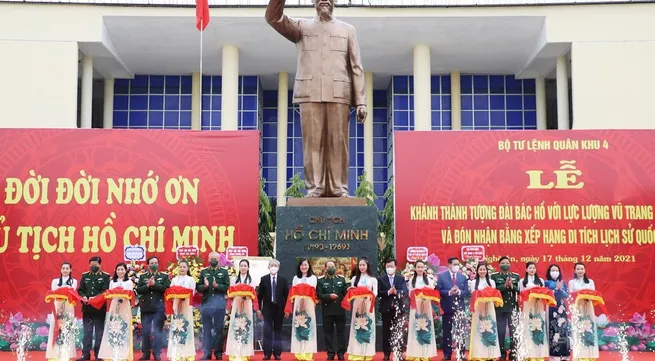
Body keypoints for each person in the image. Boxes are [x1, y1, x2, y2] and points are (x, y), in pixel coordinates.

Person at [265, 0, 367, 198]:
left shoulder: (348, 30)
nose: (324, 0)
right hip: (310, 92)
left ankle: (339, 188)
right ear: (313, 2)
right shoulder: (301, 28)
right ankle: (315, 188)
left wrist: (360, 101)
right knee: (312, 144)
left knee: (339, 143)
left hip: (339, 93)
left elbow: (356, 67)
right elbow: (273, 18)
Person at [98, 262, 135, 361]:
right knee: (113, 328)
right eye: (118, 270)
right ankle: (112, 353)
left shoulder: (129, 282)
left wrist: (122, 296)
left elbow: (130, 295)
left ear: (126, 270)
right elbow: (110, 295)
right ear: (116, 271)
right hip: (114, 306)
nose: (120, 271)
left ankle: (124, 354)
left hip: (125, 306)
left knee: (124, 328)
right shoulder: (112, 282)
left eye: (122, 269)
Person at [197, 252, 231, 360]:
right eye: (211, 258)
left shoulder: (224, 272)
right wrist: (205, 286)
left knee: (218, 330)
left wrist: (218, 286)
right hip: (206, 305)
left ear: (218, 260)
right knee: (206, 330)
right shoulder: (204, 272)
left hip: (219, 305)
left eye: (215, 258)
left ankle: (218, 353)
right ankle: (207, 353)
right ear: (208, 259)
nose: (213, 260)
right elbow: (198, 287)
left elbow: (227, 287)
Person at [136, 256, 171, 361]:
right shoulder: (142, 277)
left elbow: (166, 289)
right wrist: (147, 285)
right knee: (145, 332)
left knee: (158, 332)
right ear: (148, 264)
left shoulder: (164, 277)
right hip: (146, 307)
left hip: (159, 308)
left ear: (158, 264)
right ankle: (146, 353)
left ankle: (157, 353)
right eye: (151, 263)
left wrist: (155, 284)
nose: (154, 264)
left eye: (156, 262)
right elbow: (139, 290)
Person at [436, 257, 470, 361]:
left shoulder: (462, 277)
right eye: (455, 264)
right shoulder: (441, 276)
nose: (456, 266)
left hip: (459, 308)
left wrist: (459, 292)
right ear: (449, 265)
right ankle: (447, 354)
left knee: (460, 331)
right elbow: (439, 290)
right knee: (447, 332)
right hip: (447, 308)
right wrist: (449, 292)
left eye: (458, 264)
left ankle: (461, 354)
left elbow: (466, 292)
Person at [77, 256, 110, 361]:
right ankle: (85, 355)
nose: (93, 266)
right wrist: (84, 298)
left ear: (100, 265)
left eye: (95, 264)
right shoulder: (85, 276)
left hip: (99, 309)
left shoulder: (105, 276)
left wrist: (96, 298)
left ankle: (98, 355)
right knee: (87, 332)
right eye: (91, 264)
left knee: (99, 333)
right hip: (87, 308)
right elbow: (80, 290)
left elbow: (105, 291)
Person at [225, 260, 259, 361]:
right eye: (241, 266)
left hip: (247, 306)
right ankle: (234, 352)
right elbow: (230, 296)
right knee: (235, 328)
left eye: (245, 266)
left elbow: (254, 297)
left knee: (246, 327)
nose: (243, 267)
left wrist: (256, 309)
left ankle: (245, 352)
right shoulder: (234, 280)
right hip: (236, 305)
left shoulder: (252, 280)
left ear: (248, 268)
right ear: (238, 267)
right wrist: (228, 309)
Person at [346, 257, 378, 361]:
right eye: (360, 265)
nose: (362, 267)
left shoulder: (373, 279)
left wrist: (368, 296)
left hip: (368, 304)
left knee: (367, 326)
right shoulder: (354, 279)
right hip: (357, 304)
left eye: (364, 265)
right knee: (357, 326)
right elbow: (353, 292)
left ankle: (367, 353)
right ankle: (356, 353)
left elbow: (375, 292)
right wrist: (351, 290)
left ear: (367, 266)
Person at [257, 260, 289, 361]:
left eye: (275, 265)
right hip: (267, 309)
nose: (273, 267)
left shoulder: (283, 279)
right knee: (267, 331)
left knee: (278, 331)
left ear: (279, 267)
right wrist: (258, 310)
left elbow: (287, 296)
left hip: (280, 309)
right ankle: (267, 353)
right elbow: (259, 296)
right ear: (268, 267)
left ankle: (277, 353)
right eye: (271, 265)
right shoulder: (264, 279)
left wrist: (287, 310)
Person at [286, 258, 318, 361]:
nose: (304, 267)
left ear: (309, 266)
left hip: (309, 304)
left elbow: (312, 289)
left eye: (305, 265)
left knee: (308, 326)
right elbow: (293, 291)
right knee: (298, 326)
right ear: (299, 267)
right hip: (298, 304)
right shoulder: (296, 278)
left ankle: (308, 353)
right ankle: (299, 353)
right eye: (302, 265)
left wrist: (303, 290)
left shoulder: (313, 277)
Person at [468, 263, 501, 361]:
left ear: (487, 271)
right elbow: (473, 294)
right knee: (479, 329)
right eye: (480, 269)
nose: (482, 271)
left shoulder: (491, 282)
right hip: (478, 308)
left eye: (484, 269)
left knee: (491, 328)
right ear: (477, 271)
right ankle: (479, 354)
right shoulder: (473, 282)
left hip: (490, 307)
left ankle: (491, 354)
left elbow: (494, 294)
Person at [46, 262, 78, 361]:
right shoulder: (55, 281)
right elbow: (54, 292)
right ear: (60, 270)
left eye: (67, 268)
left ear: (70, 270)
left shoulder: (74, 281)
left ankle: (67, 353)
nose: (65, 270)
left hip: (68, 306)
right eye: (63, 268)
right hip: (57, 307)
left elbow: (72, 292)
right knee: (56, 328)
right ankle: (54, 353)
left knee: (67, 329)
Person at [377, 258, 408, 361]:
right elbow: (378, 293)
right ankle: (386, 354)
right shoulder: (381, 279)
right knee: (386, 332)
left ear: (395, 267)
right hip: (386, 309)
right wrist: (388, 292)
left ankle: (398, 353)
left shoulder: (400, 278)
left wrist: (396, 292)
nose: (389, 268)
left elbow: (405, 291)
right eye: (387, 267)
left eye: (391, 266)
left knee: (398, 332)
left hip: (398, 309)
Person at [490, 256, 520, 361]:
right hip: (499, 308)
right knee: (501, 332)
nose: (505, 264)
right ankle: (502, 354)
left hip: (512, 308)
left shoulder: (515, 276)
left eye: (507, 263)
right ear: (499, 264)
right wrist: (505, 285)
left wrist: (511, 286)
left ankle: (513, 353)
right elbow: (494, 290)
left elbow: (519, 290)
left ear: (510, 264)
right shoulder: (494, 277)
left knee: (514, 332)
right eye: (503, 263)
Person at [316, 260, 348, 361]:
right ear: (325, 268)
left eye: (333, 266)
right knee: (328, 333)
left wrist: (350, 290)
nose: (331, 268)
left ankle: (341, 353)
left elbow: (345, 293)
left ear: (336, 267)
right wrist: (329, 296)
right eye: (329, 267)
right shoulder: (320, 280)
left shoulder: (341, 279)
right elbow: (319, 295)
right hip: (327, 310)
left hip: (340, 310)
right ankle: (330, 353)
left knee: (341, 332)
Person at [406, 260, 437, 361]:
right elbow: (410, 295)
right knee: (415, 328)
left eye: (422, 267)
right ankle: (415, 353)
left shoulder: (429, 280)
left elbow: (432, 294)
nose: (420, 269)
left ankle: (425, 354)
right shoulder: (411, 281)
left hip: (426, 307)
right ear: (415, 268)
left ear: (424, 269)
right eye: (418, 267)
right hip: (415, 308)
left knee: (426, 328)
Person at [166, 260, 197, 361]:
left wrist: (184, 296)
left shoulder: (191, 279)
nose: (182, 269)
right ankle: (176, 352)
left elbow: (192, 292)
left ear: (187, 268)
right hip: (176, 305)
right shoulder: (174, 280)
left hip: (186, 305)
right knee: (176, 327)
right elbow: (171, 292)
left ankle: (187, 353)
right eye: (180, 267)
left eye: (184, 267)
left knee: (186, 326)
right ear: (178, 268)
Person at [567, 262, 598, 361]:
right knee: (578, 330)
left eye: (581, 269)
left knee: (589, 329)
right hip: (577, 308)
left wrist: (587, 297)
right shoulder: (571, 282)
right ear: (575, 271)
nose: (580, 271)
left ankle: (590, 355)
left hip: (588, 307)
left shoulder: (590, 282)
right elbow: (570, 296)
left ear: (585, 270)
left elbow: (594, 294)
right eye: (578, 269)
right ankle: (579, 355)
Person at [518, 262, 549, 360]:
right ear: (526, 269)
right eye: (530, 268)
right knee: (528, 327)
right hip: (528, 305)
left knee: (539, 327)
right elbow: (521, 294)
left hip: (538, 305)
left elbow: (544, 293)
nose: (532, 270)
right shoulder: (522, 281)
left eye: (533, 268)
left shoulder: (540, 281)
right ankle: (528, 354)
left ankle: (539, 354)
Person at [544, 264, 569, 361]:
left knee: (563, 330)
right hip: (552, 307)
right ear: (549, 272)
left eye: (556, 270)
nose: (555, 272)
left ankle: (565, 355)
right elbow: (546, 295)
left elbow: (566, 295)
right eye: (552, 270)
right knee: (553, 330)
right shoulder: (546, 282)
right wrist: (555, 290)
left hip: (562, 308)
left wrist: (560, 289)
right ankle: (554, 355)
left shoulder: (563, 282)